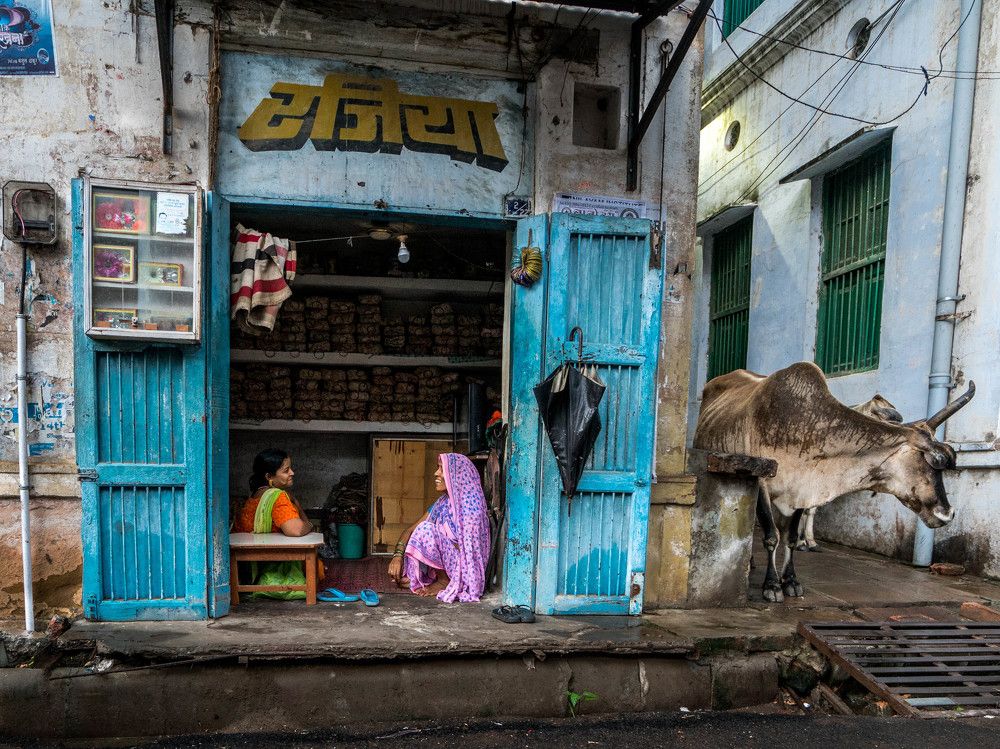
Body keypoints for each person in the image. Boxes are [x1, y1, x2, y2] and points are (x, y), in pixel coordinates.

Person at [387, 453, 491, 603]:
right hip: (446, 564)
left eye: (442, 469)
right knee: (418, 539)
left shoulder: (471, 509)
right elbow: (409, 531)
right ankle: (424, 577)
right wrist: (397, 557)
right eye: (438, 468)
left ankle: (443, 581)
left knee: (426, 530)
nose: (436, 473)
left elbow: (469, 555)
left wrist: (459, 582)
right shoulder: (442, 502)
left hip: (463, 570)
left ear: (456, 475)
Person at [234, 448, 314, 536]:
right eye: (286, 470)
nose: (292, 473)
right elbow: (295, 530)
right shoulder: (277, 497)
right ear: (269, 477)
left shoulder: (254, 494)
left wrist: (295, 501)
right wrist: (309, 524)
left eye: (290, 468)